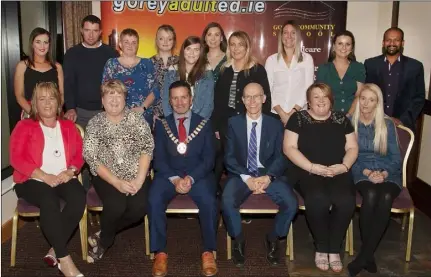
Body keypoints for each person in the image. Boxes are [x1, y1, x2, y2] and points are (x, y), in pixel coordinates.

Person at [10, 82, 86, 277]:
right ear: (34, 103)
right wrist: (44, 176)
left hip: (62, 176)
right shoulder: (24, 126)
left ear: (59, 101)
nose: (47, 103)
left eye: (51, 98)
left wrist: (70, 171)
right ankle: (65, 259)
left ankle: (55, 247)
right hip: (32, 180)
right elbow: (16, 158)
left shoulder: (69, 126)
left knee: (78, 197)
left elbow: (80, 154)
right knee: (48, 200)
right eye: (41, 99)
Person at [284, 83, 358, 273]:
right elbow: (289, 148)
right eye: (316, 96)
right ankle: (321, 247)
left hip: (337, 170)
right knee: (318, 199)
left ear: (331, 100)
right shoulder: (297, 119)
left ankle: (334, 249)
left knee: (346, 200)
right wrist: (312, 167)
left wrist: (344, 166)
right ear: (308, 101)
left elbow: (352, 147)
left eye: (325, 96)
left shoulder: (341, 119)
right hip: (306, 171)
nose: (321, 100)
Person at [221, 83, 298, 267]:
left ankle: (272, 238)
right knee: (226, 200)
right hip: (242, 175)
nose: (252, 101)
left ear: (264, 99)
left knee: (291, 203)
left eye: (257, 96)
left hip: (267, 174)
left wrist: (269, 177)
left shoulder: (275, 124)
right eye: (248, 96)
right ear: (242, 100)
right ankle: (239, 240)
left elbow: (282, 156)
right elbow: (229, 157)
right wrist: (247, 179)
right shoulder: (233, 123)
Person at [148, 80, 218, 277]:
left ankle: (208, 251)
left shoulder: (204, 123)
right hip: (169, 175)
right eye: (175, 98)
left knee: (210, 201)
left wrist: (191, 178)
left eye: (183, 97)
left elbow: (209, 159)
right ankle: (160, 252)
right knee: (153, 199)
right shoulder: (162, 125)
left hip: (198, 174)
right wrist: (175, 179)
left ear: (191, 99)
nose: (179, 102)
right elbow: (159, 159)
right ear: (169, 102)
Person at [83, 80, 154, 262]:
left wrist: (139, 180)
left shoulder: (136, 120)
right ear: (102, 100)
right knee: (116, 206)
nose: (114, 100)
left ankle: (103, 232)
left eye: (119, 95)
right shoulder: (95, 123)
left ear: (125, 99)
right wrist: (116, 182)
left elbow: (147, 148)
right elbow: (91, 156)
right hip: (107, 176)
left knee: (141, 207)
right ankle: (106, 242)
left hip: (136, 174)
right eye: (110, 95)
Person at [347, 84, 402, 277]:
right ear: (358, 99)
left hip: (389, 172)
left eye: (372, 100)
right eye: (363, 98)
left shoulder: (386, 124)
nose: (366, 104)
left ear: (378, 103)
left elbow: (396, 158)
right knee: (370, 194)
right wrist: (368, 172)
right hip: (361, 170)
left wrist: (384, 173)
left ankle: (364, 256)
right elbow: (346, 157)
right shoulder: (349, 122)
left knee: (386, 196)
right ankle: (368, 255)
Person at [212, 30, 271, 187]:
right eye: (232, 45)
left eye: (240, 45)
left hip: (248, 123)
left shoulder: (257, 69)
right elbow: (217, 100)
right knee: (226, 159)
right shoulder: (224, 69)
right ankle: (224, 191)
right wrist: (216, 125)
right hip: (226, 123)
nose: (236, 49)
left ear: (247, 47)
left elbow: (266, 99)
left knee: (247, 157)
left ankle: (252, 186)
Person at [364, 27, 425, 130]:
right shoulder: (370, 64)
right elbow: (365, 92)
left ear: (402, 43)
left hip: (402, 127)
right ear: (383, 43)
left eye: (396, 40)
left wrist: (403, 120)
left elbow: (418, 98)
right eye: (388, 40)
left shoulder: (415, 67)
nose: (392, 43)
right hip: (374, 123)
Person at [63, 15, 118, 129]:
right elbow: (68, 83)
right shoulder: (72, 54)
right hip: (79, 113)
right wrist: (70, 108)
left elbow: (117, 84)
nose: (91, 35)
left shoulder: (112, 54)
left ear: (100, 32)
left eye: (95, 31)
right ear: (81, 31)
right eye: (87, 30)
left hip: (106, 112)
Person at [102, 28, 159, 125]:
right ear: (120, 44)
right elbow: (105, 91)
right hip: (117, 118)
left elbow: (155, 90)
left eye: (133, 42)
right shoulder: (111, 64)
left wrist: (142, 108)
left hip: (142, 117)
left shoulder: (147, 64)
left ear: (137, 45)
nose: (130, 45)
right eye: (126, 42)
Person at [265, 20, 314, 126]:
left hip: (300, 114)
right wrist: (282, 114)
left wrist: (293, 112)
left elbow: (308, 89)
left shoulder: (307, 59)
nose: (289, 36)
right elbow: (268, 90)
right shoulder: (271, 60)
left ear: (298, 36)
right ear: (281, 36)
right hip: (275, 115)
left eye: (293, 32)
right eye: (285, 32)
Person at [14, 27, 63, 117]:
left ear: (49, 45)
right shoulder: (22, 66)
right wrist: (34, 114)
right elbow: (19, 96)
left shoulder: (57, 67)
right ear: (32, 44)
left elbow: (61, 94)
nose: (42, 46)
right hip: (31, 115)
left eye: (45, 42)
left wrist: (54, 112)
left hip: (53, 115)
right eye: (38, 42)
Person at [162, 36, 214, 119]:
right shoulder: (172, 71)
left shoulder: (207, 72)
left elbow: (208, 104)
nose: (192, 53)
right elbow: (165, 100)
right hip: (175, 120)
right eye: (188, 49)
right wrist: (172, 121)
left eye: (196, 50)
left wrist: (196, 123)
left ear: (200, 52)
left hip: (199, 120)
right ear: (183, 51)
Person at [316, 30, 365, 115]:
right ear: (334, 46)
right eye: (340, 44)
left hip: (352, 117)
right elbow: (320, 96)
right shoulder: (323, 69)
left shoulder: (358, 67)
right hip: (328, 117)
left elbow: (359, 95)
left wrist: (348, 116)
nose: (344, 47)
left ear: (352, 48)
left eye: (347, 44)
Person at [151, 25, 179, 120]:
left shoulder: (181, 62)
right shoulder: (148, 63)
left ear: (174, 41)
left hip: (178, 114)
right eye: (162, 38)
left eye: (169, 39)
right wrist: (152, 114)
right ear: (156, 40)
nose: (165, 42)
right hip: (155, 116)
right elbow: (146, 91)